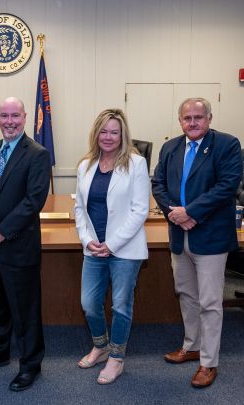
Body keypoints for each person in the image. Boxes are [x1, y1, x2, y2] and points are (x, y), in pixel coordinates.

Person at [151, 97, 242, 388]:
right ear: (180, 120)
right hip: (180, 235)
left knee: (211, 301)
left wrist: (191, 212)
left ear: (209, 118)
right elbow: (158, 184)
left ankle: (209, 362)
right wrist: (175, 215)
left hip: (211, 237)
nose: (192, 122)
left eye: (198, 117)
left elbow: (227, 187)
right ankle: (191, 346)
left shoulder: (227, 145)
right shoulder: (170, 147)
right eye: (187, 118)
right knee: (187, 294)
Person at [0, 97, 50, 391]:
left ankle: (30, 365)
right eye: (4, 115)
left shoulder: (37, 154)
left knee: (24, 310)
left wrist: (3, 230)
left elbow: (34, 201)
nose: (9, 121)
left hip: (17, 245)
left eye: (15, 115)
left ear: (25, 117)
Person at [74, 109, 149, 384]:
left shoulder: (136, 164)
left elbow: (140, 210)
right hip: (93, 248)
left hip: (125, 250)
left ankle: (116, 358)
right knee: (90, 304)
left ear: (122, 135)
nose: (108, 137)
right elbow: (79, 208)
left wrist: (112, 244)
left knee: (120, 305)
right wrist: (87, 239)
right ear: (96, 133)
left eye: (114, 132)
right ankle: (101, 345)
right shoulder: (85, 165)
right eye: (103, 131)